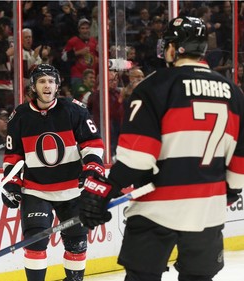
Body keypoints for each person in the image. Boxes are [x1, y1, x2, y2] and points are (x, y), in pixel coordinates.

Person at [79, 16, 244, 281]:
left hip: (158, 209)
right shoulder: (233, 92)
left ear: (173, 48)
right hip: (208, 209)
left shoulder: (155, 87)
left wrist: (106, 191)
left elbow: (138, 160)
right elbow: (239, 163)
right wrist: (231, 191)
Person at [2, 64, 104, 281]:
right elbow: (13, 156)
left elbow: (92, 143)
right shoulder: (19, 116)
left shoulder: (75, 109)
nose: (47, 85)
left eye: (51, 81)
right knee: (35, 243)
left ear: (57, 86)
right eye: (41, 81)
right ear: (33, 86)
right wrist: (11, 182)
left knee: (77, 244)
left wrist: (93, 167)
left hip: (71, 190)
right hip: (36, 190)